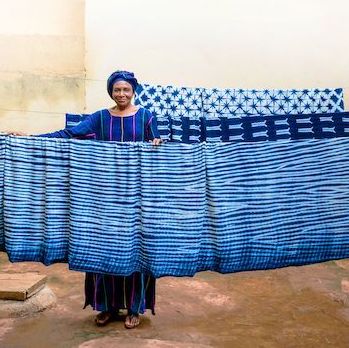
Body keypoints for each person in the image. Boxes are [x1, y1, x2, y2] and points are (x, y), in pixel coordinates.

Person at [9, 70, 161, 329]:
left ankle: (134, 308)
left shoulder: (147, 117)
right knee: (101, 248)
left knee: (136, 250)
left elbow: (157, 147)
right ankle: (107, 307)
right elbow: (68, 135)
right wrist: (30, 139)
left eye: (126, 89)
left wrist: (158, 144)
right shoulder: (100, 118)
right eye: (116, 90)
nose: (121, 94)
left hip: (136, 199)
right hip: (102, 196)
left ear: (133, 90)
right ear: (110, 92)